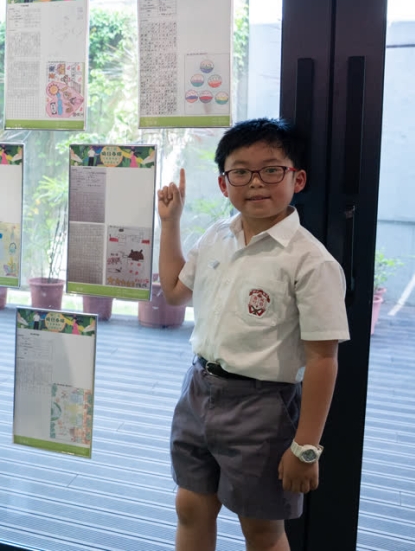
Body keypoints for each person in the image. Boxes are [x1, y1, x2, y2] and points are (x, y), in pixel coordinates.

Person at [157, 118, 349, 551]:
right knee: (190, 506)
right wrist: (170, 222)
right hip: (198, 390)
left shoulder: (311, 261)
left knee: (261, 529)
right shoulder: (216, 236)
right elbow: (174, 293)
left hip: (263, 407)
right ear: (224, 184)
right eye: (241, 171)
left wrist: (306, 447)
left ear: (297, 179)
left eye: (271, 170)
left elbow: (323, 359)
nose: (256, 182)